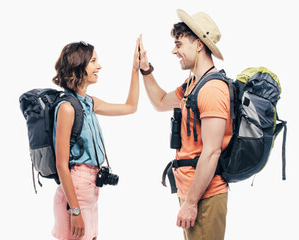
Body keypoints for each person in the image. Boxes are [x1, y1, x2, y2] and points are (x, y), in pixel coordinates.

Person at [137, 9, 231, 239]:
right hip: (191, 191)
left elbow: (211, 152)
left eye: (178, 44)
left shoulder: (212, 89)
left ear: (198, 45)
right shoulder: (192, 84)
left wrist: (190, 203)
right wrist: (145, 68)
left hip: (204, 195)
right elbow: (160, 102)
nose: (174, 50)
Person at [51, 38, 141, 240]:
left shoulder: (88, 103)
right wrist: (75, 211)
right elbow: (61, 165)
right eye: (93, 61)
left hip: (90, 189)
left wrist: (135, 69)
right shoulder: (66, 108)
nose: (99, 66)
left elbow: (130, 107)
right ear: (78, 66)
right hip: (75, 191)